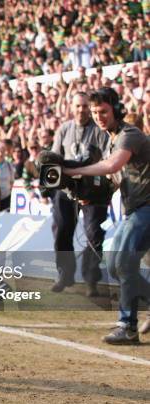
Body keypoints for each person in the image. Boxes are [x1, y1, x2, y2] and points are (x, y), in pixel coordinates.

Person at [63, 88, 149, 344]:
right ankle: (131, 322)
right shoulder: (112, 139)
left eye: (103, 112)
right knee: (114, 263)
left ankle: (127, 325)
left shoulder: (129, 135)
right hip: (135, 210)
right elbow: (114, 179)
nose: (98, 117)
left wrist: (72, 169)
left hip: (147, 208)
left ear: (116, 110)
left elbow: (112, 165)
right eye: (94, 112)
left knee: (122, 262)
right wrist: (91, 196)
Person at [50, 92, 112, 297]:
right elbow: (54, 158)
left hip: (93, 191)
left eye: (85, 106)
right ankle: (64, 275)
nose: (81, 110)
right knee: (61, 230)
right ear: (71, 106)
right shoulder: (63, 129)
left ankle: (91, 280)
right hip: (66, 189)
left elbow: (108, 162)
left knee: (94, 234)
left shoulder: (100, 132)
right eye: (78, 106)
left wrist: (98, 189)